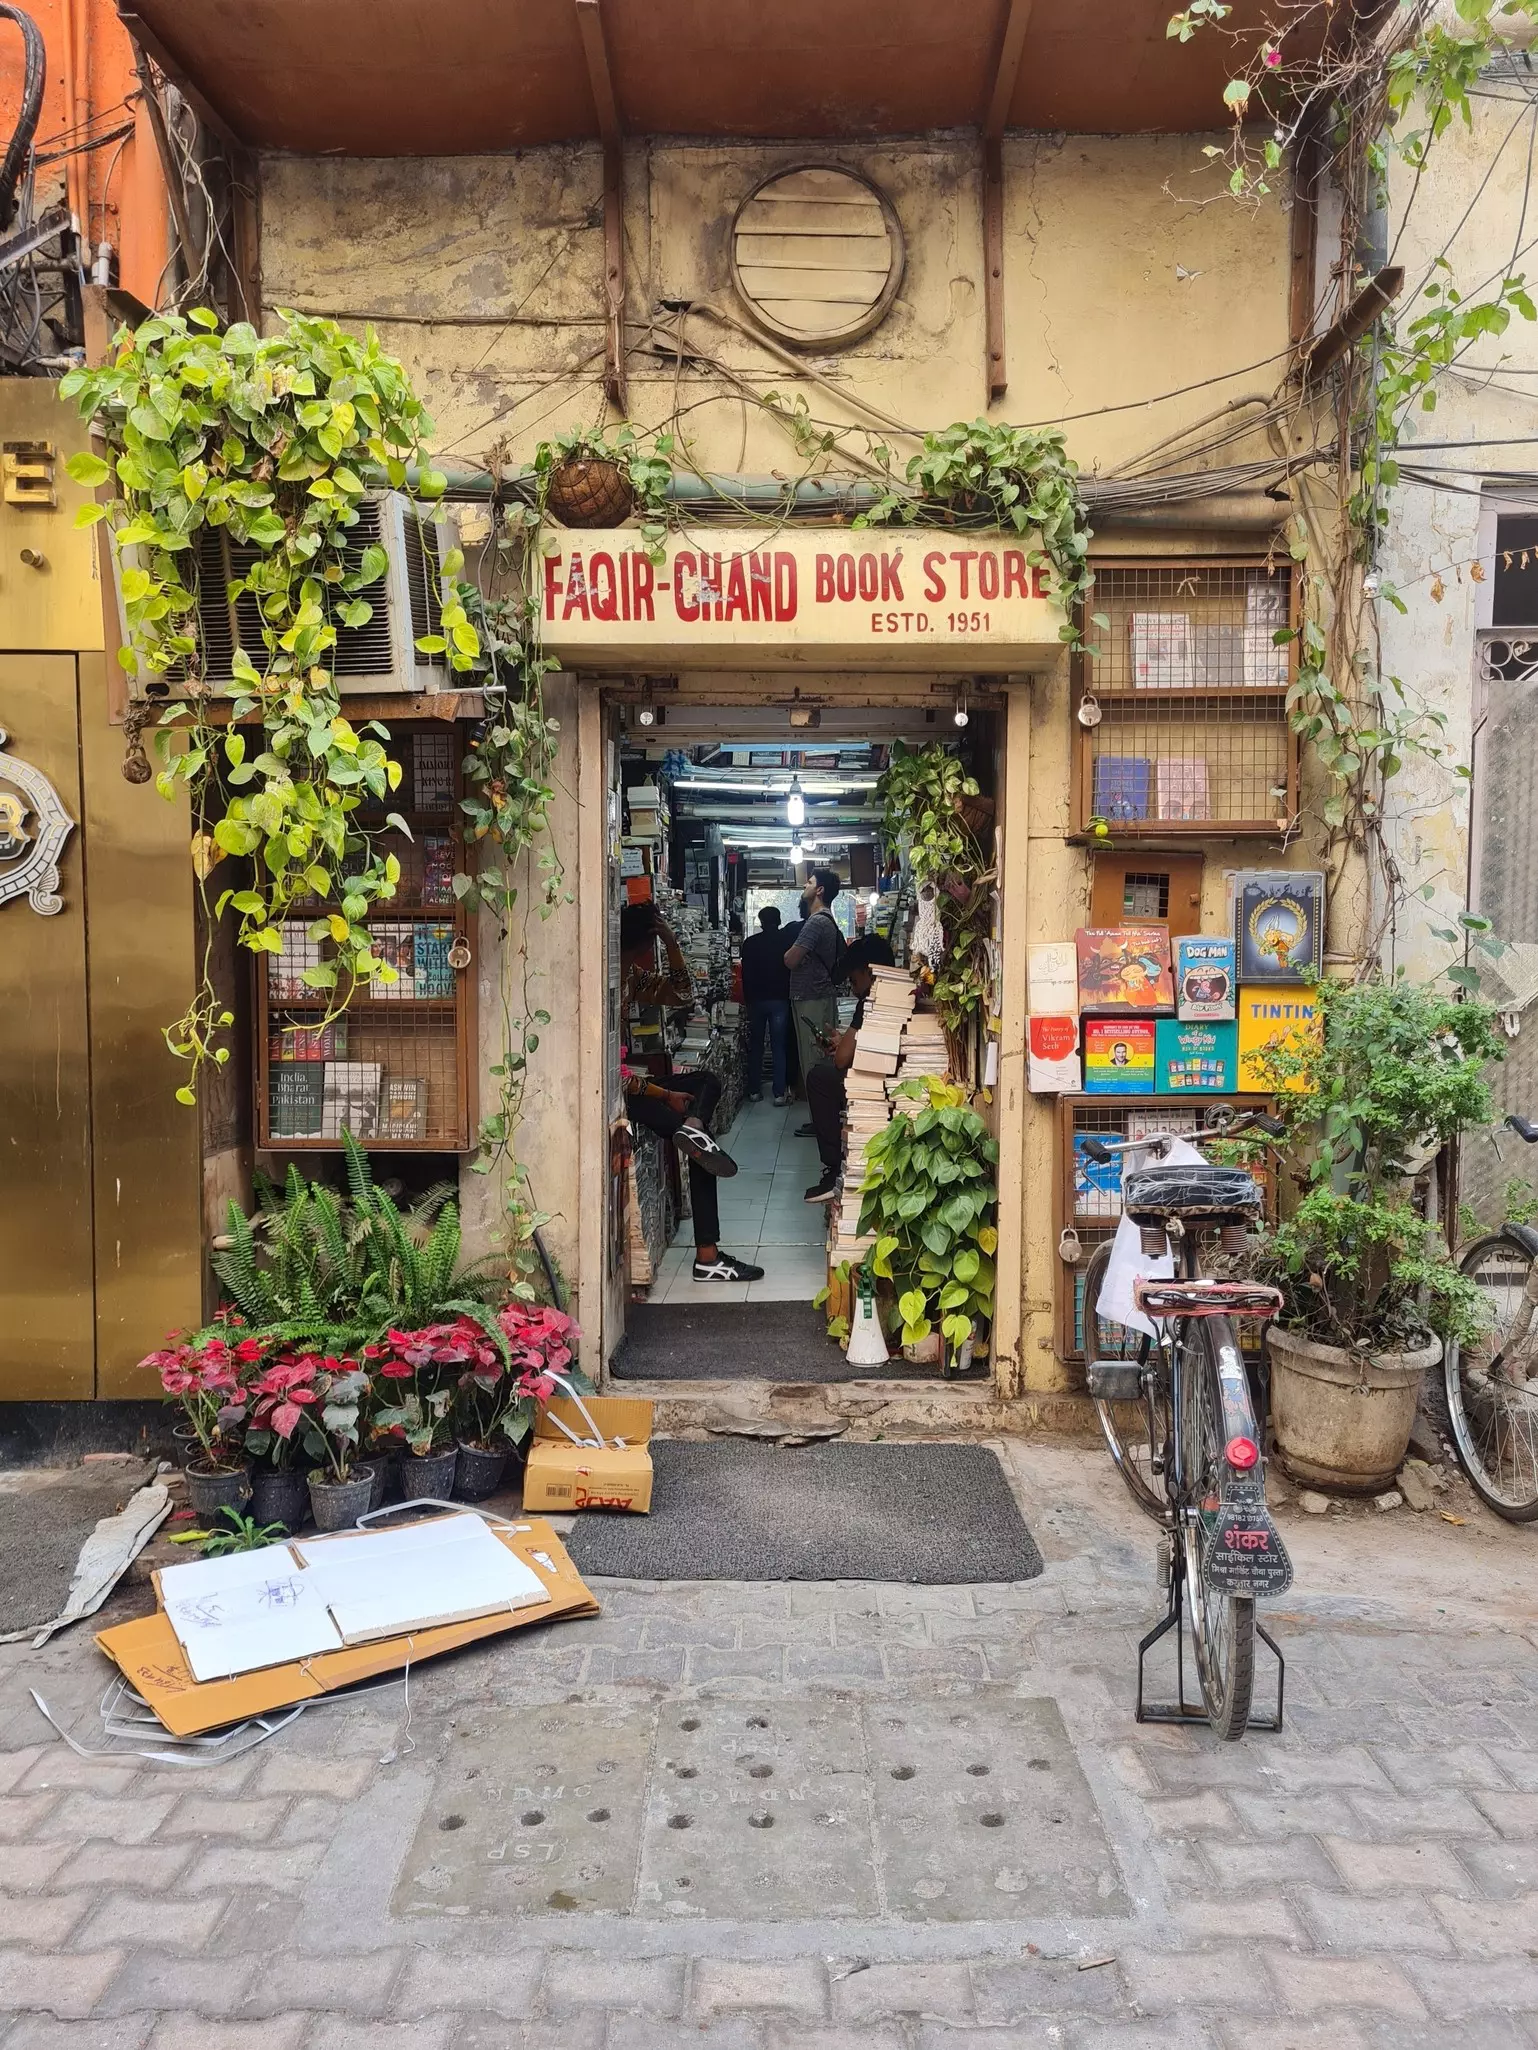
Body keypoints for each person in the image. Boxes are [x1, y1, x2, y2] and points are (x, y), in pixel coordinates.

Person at [618, 901, 763, 1283]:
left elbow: (683, 996)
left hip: (637, 1087)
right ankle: (707, 1257)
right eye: (657, 941)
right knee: (702, 1152)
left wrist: (673, 944)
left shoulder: (632, 978)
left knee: (707, 1082)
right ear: (646, 943)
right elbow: (611, 1075)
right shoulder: (611, 982)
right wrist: (663, 1096)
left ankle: (694, 1125)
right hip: (625, 1095)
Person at [802, 936, 894, 1204]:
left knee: (819, 1078)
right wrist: (843, 1041)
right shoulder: (893, 994)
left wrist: (842, 1047)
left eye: (854, 981)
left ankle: (833, 1168)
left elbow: (842, 1060)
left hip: (878, 1082)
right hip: (886, 1070)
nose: (853, 990)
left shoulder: (870, 1001)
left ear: (870, 971)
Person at [784, 866, 845, 1106]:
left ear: (819, 890)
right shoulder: (826, 920)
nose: (805, 886)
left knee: (814, 1057)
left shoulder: (816, 923)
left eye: (809, 882)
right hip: (815, 995)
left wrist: (788, 954)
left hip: (812, 996)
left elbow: (790, 959)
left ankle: (821, 1116)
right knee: (816, 1055)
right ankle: (820, 1115)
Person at [739, 905, 792, 1105]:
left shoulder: (750, 944)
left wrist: (748, 999)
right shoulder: (787, 942)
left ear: (761, 922)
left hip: (757, 1001)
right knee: (779, 1047)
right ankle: (779, 1094)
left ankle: (754, 1090)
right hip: (780, 1000)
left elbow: (745, 975)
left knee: (756, 1046)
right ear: (778, 921)